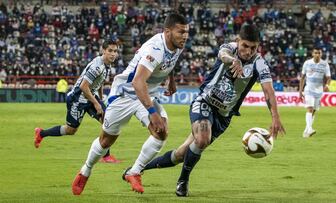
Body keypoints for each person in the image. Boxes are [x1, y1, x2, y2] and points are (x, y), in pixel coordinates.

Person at [140, 23, 286, 197]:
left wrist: (275, 117)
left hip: (224, 116)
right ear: (238, 41)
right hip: (205, 102)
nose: (248, 51)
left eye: (253, 48)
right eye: (245, 46)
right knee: (202, 139)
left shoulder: (260, 63)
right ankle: (183, 181)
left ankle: (138, 168)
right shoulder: (229, 49)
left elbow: (268, 91)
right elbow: (223, 55)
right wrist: (234, 60)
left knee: (181, 154)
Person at [71, 13, 189, 195]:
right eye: (181, 32)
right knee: (106, 140)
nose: (185, 36)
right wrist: (153, 113)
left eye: (186, 32)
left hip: (147, 94)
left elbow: (170, 61)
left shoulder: (177, 43)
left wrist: (171, 79)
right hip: (125, 94)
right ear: (167, 32)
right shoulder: (154, 48)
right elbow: (137, 82)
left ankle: (134, 172)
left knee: (161, 132)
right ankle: (85, 170)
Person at [34, 39, 121, 163]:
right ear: (103, 51)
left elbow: (99, 81)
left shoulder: (107, 65)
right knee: (71, 130)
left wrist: (100, 99)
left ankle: (106, 156)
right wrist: (96, 103)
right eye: (110, 51)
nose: (113, 54)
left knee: (107, 121)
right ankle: (41, 133)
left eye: (115, 51)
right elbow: (83, 86)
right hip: (78, 98)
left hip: (90, 96)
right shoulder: (97, 66)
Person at [299, 47, 331, 138]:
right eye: (316, 53)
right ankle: (309, 129)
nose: (317, 54)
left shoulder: (325, 64)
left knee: (313, 111)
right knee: (310, 108)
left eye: (319, 53)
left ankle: (306, 131)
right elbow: (302, 77)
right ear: (312, 54)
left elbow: (328, 78)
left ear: (321, 54)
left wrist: (327, 86)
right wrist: (300, 91)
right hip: (308, 89)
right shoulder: (307, 63)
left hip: (319, 90)